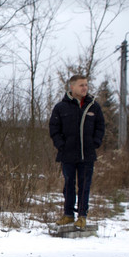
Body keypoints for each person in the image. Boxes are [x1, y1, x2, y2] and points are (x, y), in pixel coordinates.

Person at [49, 75, 105, 229]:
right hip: (67, 154)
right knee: (69, 185)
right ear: (72, 87)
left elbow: (101, 127)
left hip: (87, 155)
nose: (84, 88)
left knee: (84, 185)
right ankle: (68, 215)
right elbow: (54, 128)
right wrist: (61, 145)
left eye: (86, 85)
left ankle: (82, 216)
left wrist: (95, 142)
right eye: (81, 85)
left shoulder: (94, 106)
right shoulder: (61, 107)